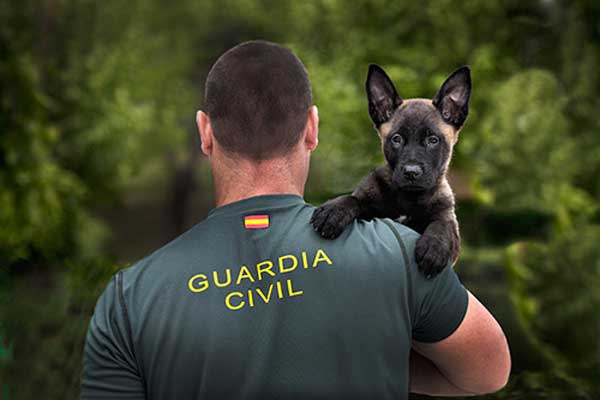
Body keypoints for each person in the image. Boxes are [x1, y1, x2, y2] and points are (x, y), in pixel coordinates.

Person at [81, 40, 510, 399]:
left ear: (205, 132)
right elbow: (490, 371)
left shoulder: (127, 300)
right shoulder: (399, 253)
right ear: (312, 128)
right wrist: (379, 352)